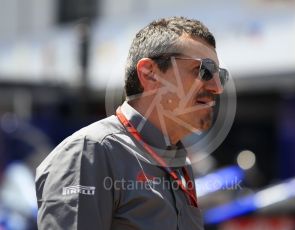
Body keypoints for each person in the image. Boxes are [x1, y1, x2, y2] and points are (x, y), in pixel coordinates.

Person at [35, 16, 229, 230]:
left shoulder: (179, 164)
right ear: (150, 74)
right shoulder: (89, 152)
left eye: (221, 75)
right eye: (204, 70)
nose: (217, 87)